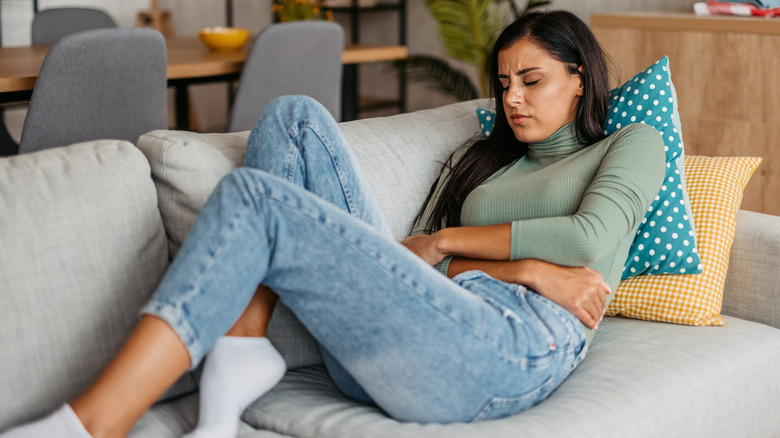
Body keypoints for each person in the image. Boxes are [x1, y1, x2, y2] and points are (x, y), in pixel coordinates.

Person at [1, 9, 665, 438]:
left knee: (255, 197)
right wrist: (520, 265)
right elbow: (422, 267)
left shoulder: (630, 145)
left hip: (504, 349)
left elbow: (587, 239)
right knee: (292, 115)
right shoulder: (484, 160)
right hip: (410, 327)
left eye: (533, 80)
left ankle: (95, 422)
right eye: (503, 82)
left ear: (579, 79)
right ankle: (244, 351)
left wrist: (447, 241)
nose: (512, 97)